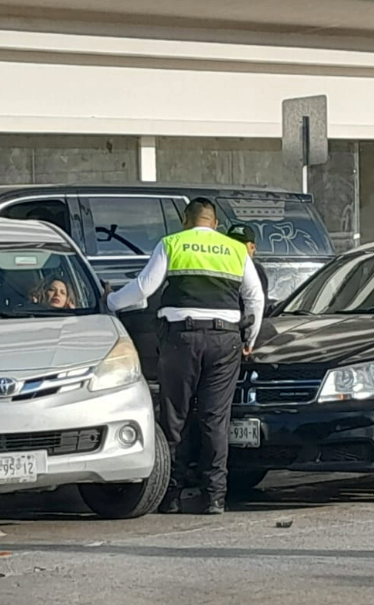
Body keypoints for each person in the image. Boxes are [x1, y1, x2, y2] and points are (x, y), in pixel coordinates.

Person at [107, 197, 265, 515]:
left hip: (181, 339)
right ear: (215, 223)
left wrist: (110, 302)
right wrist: (249, 338)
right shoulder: (234, 249)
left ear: (185, 220)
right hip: (225, 340)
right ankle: (214, 497)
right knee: (214, 419)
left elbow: (143, 287)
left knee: (174, 416)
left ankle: (172, 494)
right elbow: (255, 297)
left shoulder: (172, 243)